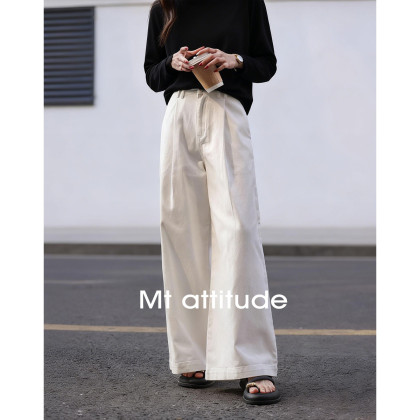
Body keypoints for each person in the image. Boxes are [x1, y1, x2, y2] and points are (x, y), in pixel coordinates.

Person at [144, 0, 280, 405]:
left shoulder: (246, 2)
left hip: (226, 110)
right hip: (179, 116)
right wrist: (174, 63)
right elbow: (152, 75)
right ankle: (195, 355)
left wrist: (233, 59)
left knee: (237, 230)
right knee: (181, 231)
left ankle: (251, 361)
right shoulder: (164, 6)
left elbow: (266, 64)